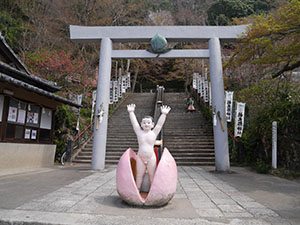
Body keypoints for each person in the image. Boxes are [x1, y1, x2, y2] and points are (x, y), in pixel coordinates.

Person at [127, 104, 171, 190]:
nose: (146, 124)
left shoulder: (153, 133)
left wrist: (163, 114)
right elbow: (134, 123)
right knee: (139, 175)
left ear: (152, 125)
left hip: (151, 157)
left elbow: (159, 125)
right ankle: (137, 190)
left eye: (148, 123)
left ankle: (153, 190)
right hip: (140, 157)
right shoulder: (139, 132)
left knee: (152, 174)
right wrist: (131, 112)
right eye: (144, 123)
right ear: (141, 124)